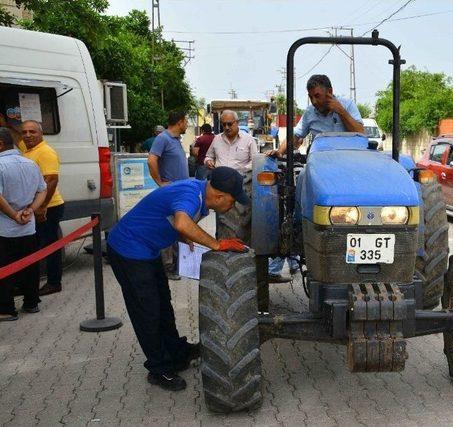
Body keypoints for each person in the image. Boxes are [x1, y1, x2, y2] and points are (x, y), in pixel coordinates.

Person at [107, 166, 249, 391]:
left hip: (147, 250)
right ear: (220, 196)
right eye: (232, 201)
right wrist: (216, 244)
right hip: (128, 251)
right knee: (147, 311)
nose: (233, 206)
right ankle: (159, 368)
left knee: (163, 304)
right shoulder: (191, 195)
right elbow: (183, 221)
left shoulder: (200, 193)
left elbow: (177, 220)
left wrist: (184, 236)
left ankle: (176, 352)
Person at [0, 128, 48, 321]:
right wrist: (31, 210)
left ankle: (6, 309)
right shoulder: (30, 164)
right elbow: (42, 190)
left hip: (5, 229)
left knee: (4, 269)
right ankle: (31, 302)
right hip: (28, 226)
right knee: (30, 266)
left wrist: (13, 215)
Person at [19, 120, 65, 296]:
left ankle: (54, 283)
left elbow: (51, 180)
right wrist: (9, 125)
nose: (28, 135)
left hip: (49, 207)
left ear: (41, 134)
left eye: (32, 132)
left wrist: (41, 207)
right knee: (35, 245)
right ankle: (29, 284)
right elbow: (17, 139)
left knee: (49, 247)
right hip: (37, 207)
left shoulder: (45, 152)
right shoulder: (28, 148)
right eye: (25, 132)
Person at [268, 74, 364, 158]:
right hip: (320, 163)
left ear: (329, 92)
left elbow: (360, 133)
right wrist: (279, 152)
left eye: (317, 96)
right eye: (311, 97)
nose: (314, 101)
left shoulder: (347, 105)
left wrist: (341, 112)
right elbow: (295, 136)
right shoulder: (310, 112)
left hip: (346, 160)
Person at [204, 110, 258, 243]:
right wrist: (208, 161)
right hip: (220, 187)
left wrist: (242, 171)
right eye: (224, 125)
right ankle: (221, 244)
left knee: (239, 223)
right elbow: (208, 156)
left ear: (237, 123)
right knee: (221, 221)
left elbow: (256, 160)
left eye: (230, 124)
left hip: (241, 185)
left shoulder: (248, 140)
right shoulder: (216, 139)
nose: (227, 127)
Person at [148, 111, 189, 280]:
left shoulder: (176, 140)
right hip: (170, 193)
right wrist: (160, 182)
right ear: (179, 122)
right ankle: (167, 267)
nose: (187, 124)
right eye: (186, 121)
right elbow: (151, 160)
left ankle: (179, 265)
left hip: (179, 192)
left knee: (178, 228)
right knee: (168, 228)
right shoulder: (163, 138)